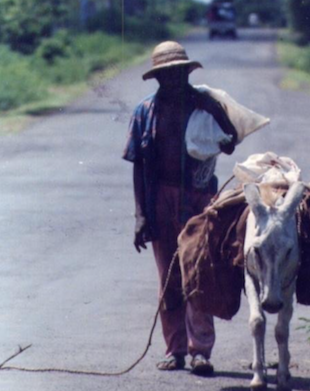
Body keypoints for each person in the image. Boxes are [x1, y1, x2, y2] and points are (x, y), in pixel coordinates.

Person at [122, 41, 238, 376]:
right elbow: (137, 164)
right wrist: (141, 215)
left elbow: (229, 142)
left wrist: (214, 110)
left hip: (200, 199)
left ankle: (200, 350)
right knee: (169, 277)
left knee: (199, 273)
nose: (174, 79)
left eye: (179, 72)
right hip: (160, 199)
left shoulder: (205, 106)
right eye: (166, 74)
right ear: (157, 78)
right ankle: (175, 349)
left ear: (188, 73)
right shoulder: (145, 112)